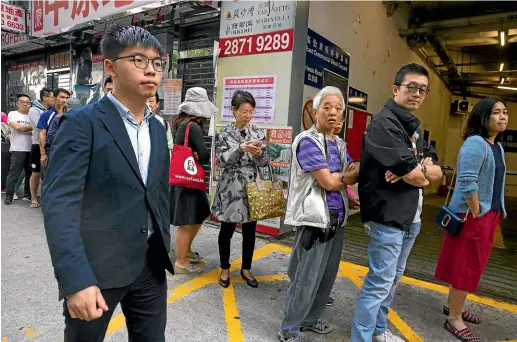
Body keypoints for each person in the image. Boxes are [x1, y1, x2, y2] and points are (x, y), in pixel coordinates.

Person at [42, 25, 174, 341]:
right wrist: (75, 280)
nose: (151, 71)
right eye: (139, 60)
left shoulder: (157, 128)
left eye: (157, 63)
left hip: (149, 264)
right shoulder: (82, 123)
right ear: (111, 67)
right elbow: (60, 204)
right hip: (97, 268)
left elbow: (156, 193)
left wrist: (163, 244)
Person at [351, 64, 443, 342]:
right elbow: (417, 176)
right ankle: (362, 338)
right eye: (411, 87)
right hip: (387, 218)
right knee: (379, 284)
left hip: (410, 219)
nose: (417, 93)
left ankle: (379, 331)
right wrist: (417, 171)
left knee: (392, 281)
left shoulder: (412, 127)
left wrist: (416, 168)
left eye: (422, 89)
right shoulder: (384, 125)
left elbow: (437, 170)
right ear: (395, 89)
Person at [278, 86, 359, 342]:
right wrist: (349, 177)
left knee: (326, 277)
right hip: (314, 221)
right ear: (315, 111)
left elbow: (348, 173)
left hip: (337, 220)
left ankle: (310, 320)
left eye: (338, 109)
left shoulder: (340, 143)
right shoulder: (307, 141)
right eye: (327, 107)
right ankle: (289, 330)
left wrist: (352, 194)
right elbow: (329, 182)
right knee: (305, 278)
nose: (333, 113)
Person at [434, 98, 507, 342]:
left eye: (505, 112)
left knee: (470, 265)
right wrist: (477, 210)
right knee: (466, 267)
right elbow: (467, 181)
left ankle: (453, 305)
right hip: (473, 216)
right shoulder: (476, 144)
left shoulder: (496, 146)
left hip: (487, 215)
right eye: (496, 112)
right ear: (483, 117)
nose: (503, 116)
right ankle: (454, 318)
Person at [212, 90, 269, 289]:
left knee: (250, 230)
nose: (247, 115)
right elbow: (220, 161)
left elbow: (264, 163)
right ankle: (225, 268)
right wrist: (240, 149)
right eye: (244, 111)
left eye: (251, 112)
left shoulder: (258, 132)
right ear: (233, 110)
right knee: (226, 229)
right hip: (230, 187)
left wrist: (260, 152)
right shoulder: (223, 133)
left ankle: (246, 268)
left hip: (251, 187)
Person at [170, 87, 216, 274]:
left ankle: (186, 252)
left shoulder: (180, 122)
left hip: (183, 178)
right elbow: (204, 156)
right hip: (189, 180)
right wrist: (200, 155)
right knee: (187, 220)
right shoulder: (194, 126)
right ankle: (181, 261)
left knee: (198, 214)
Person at [27, 88, 55, 208]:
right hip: (37, 144)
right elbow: (42, 128)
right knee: (36, 172)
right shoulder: (34, 110)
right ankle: (33, 198)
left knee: (47, 174)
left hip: (50, 146)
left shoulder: (50, 111)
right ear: (45, 98)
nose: (54, 99)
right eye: (52, 97)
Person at [4, 94, 33, 205]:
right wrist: (34, 127)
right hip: (18, 149)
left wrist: (26, 129)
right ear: (17, 103)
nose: (25, 104)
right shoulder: (13, 114)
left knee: (30, 173)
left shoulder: (32, 115)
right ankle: (9, 195)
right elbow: (18, 128)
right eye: (22, 101)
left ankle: (27, 194)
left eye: (28, 102)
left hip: (31, 148)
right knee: (14, 173)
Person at [37, 88, 70, 176]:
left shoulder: (73, 114)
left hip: (67, 151)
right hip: (50, 151)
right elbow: (42, 134)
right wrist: (43, 154)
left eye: (67, 98)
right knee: (48, 179)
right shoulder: (47, 115)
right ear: (54, 98)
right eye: (62, 97)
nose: (65, 100)